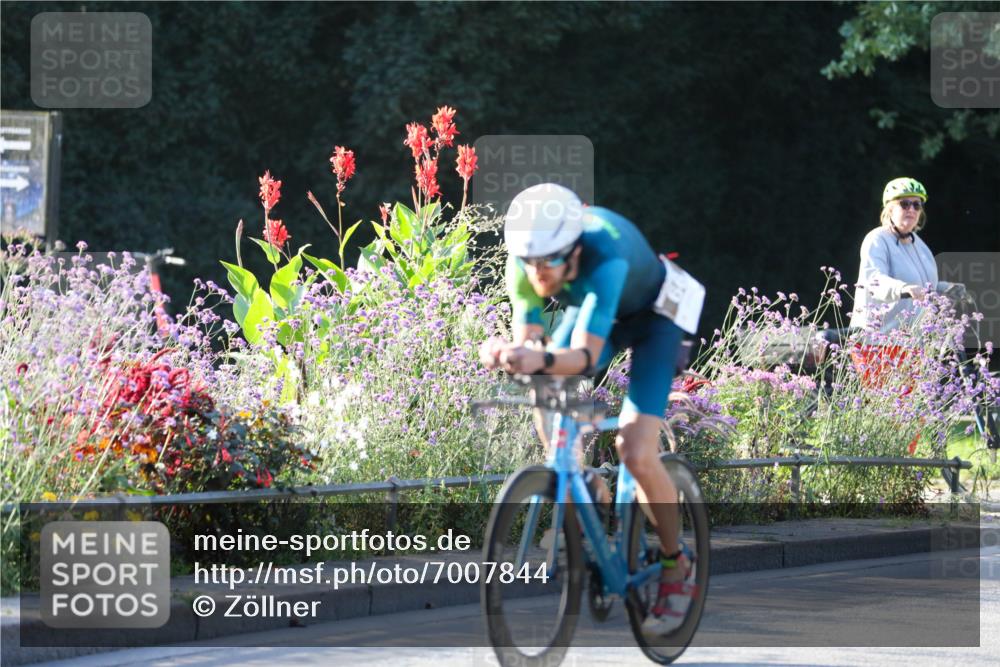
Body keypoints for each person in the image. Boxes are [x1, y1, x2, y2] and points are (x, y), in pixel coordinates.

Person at [478, 182, 694, 636]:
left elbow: (587, 357)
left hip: (656, 317)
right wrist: (512, 353)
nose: (540, 275)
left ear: (573, 250)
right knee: (542, 377)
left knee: (634, 449)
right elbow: (529, 340)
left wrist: (539, 356)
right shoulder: (526, 261)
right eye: (531, 264)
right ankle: (583, 478)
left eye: (551, 263)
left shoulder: (605, 257)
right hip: (599, 309)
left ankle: (676, 566)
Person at [850, 177, 963, 332]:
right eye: (904, 204)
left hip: (912, 343)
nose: (911, 209)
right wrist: (903, 288)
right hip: (875, 342)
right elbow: (874, 281)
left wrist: (945, 288)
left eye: (917, 205)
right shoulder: (877, 239)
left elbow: (923, 287)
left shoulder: (920, 246)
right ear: (890, 209)